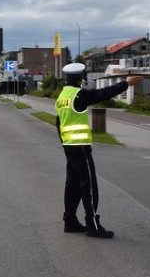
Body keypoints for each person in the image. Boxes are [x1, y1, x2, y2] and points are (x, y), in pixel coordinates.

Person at [56, 63, 143, 238]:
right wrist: (126, 83)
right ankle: (92, 225)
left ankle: (70, 221)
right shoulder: (78, 95)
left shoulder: (62, 96)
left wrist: (64, 143)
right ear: (81, 78)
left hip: (69, 146)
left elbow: (58, 123)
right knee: (88, 185)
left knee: (72, 185)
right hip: (80, 147)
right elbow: (103, 94)